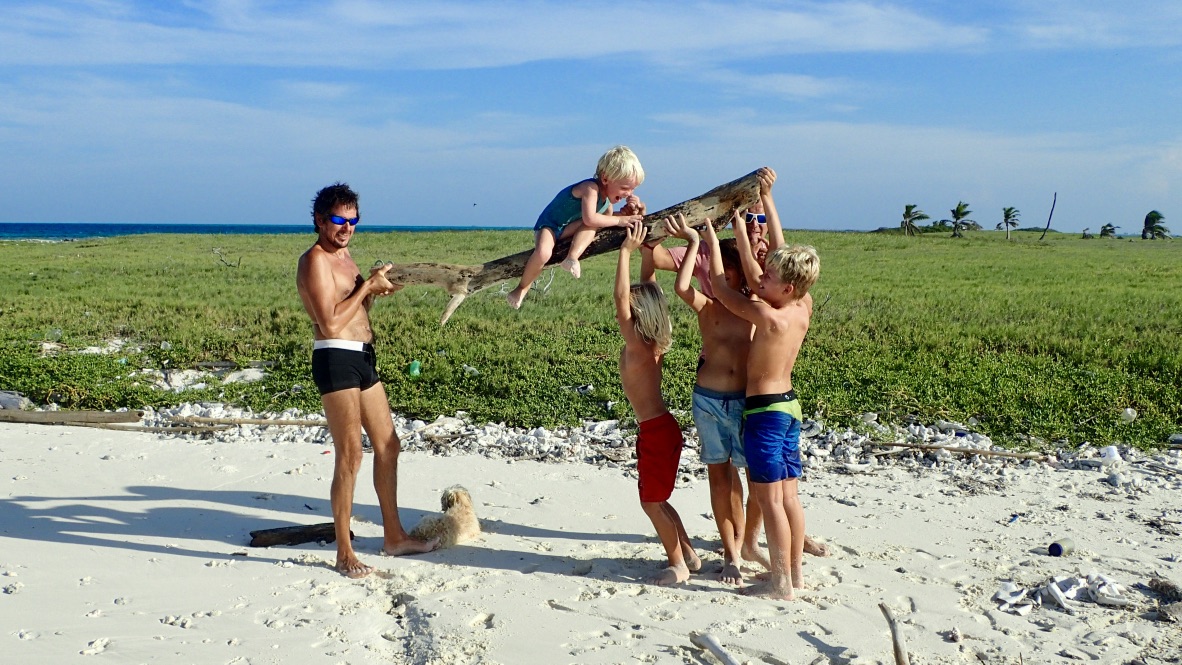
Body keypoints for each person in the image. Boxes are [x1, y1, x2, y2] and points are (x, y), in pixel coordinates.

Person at [296, 182, 439, 579]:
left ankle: (394, 536)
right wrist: (367, 288)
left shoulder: (345, 257)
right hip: (335, 357)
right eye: (339, 220)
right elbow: (329, 322)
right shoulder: (315, 260)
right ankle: (344, 553)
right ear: (320, 220)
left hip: (363, 357)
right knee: (350, 455)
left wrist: (375, 291)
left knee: (389, 445)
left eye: (353, 220)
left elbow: (355, 309)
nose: (347, 228)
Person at [703, 173, 821, 600]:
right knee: (789, 498)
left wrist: (713, 234)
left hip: (766, 412)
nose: (759, 280)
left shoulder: (768, 318)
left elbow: (723, 287)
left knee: (770, 501)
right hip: (789, 408)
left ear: (785, 287)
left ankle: (781, 584)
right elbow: (779, 254)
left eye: (768, 279)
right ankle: (796, 576)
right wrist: (766, 202)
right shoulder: (802, 304)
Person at [663, 213, 767, 585]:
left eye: (728, 270)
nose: (719, 275)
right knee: (720, 481)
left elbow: (763, 270)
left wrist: (753, 232)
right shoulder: (708, 306)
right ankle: (731, 555)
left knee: (755, 482)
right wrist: (696, 242)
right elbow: (681, 287)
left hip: (743, 403)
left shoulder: (756, 307)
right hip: (707, 401)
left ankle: (747, 543)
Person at [614, 222, 701, 585]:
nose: (623, 312)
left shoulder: (638, 344)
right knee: (658, 499)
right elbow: (649, 288)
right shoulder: (651, 340)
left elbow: (621, 298)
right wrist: (648, 250)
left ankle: (678, 565)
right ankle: (689, 554)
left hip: (656, 432)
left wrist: (625, 252)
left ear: (638, 314)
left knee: (651, 503)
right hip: (661, 429)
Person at [507, 146, 646, 309]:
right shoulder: (590, 188)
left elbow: (604, 220)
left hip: (568, 229)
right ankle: (522, 288)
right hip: (550, 226)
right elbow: (590, 218)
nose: (629, 193)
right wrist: (620, 220)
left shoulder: (606, 203)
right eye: (624, 188)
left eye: (632, 189)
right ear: (605, 179)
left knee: (595, 224)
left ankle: (572, 258)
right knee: (543, 253)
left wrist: (625, 214)